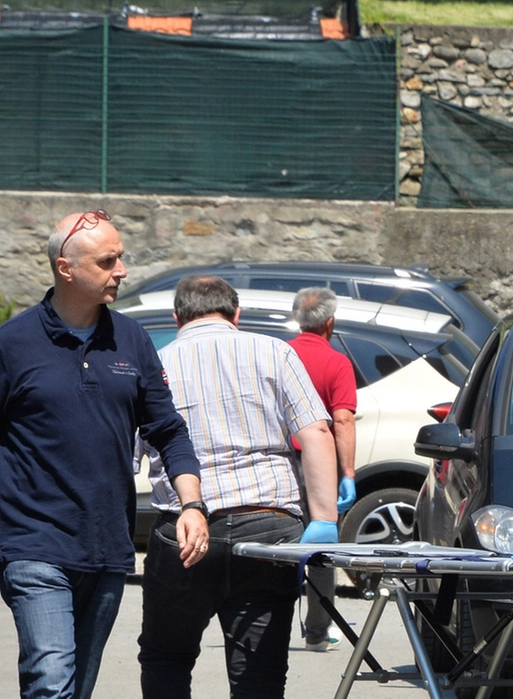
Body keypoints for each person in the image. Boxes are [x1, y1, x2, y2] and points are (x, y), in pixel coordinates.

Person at [0, 210, 205, 699]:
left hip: (108, 547)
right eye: (108, 260)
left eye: (121, 257)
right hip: (33, 545)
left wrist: (192, 505)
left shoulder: (131, 339)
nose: (122, 270)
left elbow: (168, 430)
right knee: (51, 682)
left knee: (75, 690)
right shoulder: (12, 343)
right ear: (66, 268)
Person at [136, 275, 338, 699]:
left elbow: (127, 454)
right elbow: (317, 432)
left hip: (184, 528)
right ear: (237, 314)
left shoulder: (156, 365)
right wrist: (324, 520)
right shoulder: (274, 352)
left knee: (166, 659)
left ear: (177, 317)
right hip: (268, 526)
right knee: (259, 675)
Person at [288, 287, 359, 652]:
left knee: (277, 543)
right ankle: (317, 632)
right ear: (330, 322)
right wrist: (348, 472)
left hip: (280, 460)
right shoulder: (337, 363)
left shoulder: (279, 354)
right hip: (319, 465)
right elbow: (342, 420)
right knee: (321, 547)